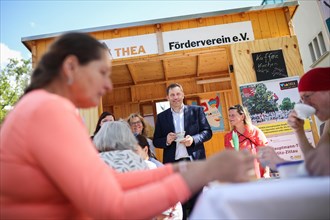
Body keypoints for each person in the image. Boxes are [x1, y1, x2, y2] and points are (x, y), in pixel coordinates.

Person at [0, 32, 255, 219]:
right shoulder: (48, 111)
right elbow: (112, 206)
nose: (108, 85)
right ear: (70, 68)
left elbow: (107, 181)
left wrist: (186, 170)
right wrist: (201, 174)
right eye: (102, 73)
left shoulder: (47, 106)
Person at [153, 83, 212, 219]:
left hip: (194, 162)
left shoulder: (196, 111)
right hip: (174, 165)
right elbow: (156, 141)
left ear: (183, 95)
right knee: (179, 201)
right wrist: (166, 140)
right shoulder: (162, 117)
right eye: (172, 95)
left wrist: (194, 139)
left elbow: (207, 132)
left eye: (178, 94)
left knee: (197, 199)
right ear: (167, 97)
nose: (175, 97)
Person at [224, 104, 269, 179]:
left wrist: (266, 172)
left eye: (233, 115)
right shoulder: (229, 137)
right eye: (229, 115)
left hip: (258, 175)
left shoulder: (255, 132)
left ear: (242, 116)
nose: (230, 118)